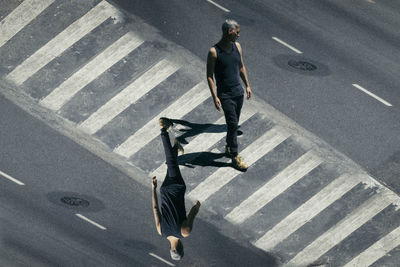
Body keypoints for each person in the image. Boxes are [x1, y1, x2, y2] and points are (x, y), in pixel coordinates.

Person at [152, 117, 201, 261]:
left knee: (171, 162)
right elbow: (155, 208)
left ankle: (163, 129)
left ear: (181, 247)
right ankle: (176, 147)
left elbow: (193, 212)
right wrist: (153, 188)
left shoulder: (185, 232)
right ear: (170, 248)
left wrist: (197, 206)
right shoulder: (161, 231)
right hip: (164, 190)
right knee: (171, 165)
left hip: (177, 188)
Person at [206, 19, 252, 171]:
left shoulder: (237, 47)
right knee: (232, 124)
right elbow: (209, 76)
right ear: (229, 32)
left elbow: (241, 66)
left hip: (238, 92)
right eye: (237, 32)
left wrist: (247, 86)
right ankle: (235, 156)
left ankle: (228, 147)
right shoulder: (214, 52)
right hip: (225, 95)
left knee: (233, 124)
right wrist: (215, 96)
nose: (239, 35)